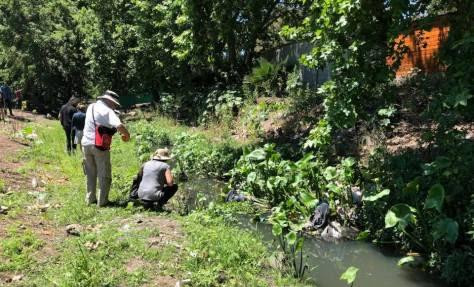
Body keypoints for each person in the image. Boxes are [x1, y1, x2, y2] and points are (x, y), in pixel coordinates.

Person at [82, 90, 130, 207]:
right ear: (108, 101)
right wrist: (127, 135)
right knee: (104, 173)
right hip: (99, 146)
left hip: (85, 144)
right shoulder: (108, 111)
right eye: (114, 103)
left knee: (90, 173)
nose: (114, 106)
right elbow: (119, 125)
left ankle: (90, 199)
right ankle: (102, 201)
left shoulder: (91, 107)